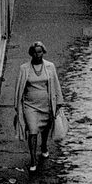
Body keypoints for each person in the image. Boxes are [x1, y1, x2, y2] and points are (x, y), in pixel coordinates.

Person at [14, 42, 64, 173]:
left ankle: (44, 146)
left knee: (46, 128)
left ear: (43, 52)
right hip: (30, 106)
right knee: (32, 130)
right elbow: (19, 88)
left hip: (46, 104)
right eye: (35, 52)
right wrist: (17, 105)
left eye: (40, 52)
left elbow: (56, 84)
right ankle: (32, 159)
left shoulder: (50, 66)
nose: (37, 54)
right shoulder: (24, 68)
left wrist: (59, 101)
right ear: (31, 53)